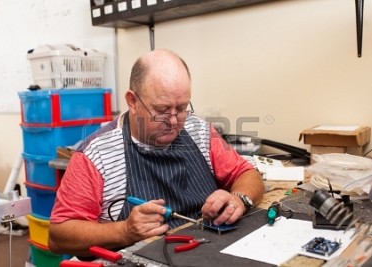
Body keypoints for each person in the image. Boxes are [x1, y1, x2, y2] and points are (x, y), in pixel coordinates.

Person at [48, 49, 264, 257]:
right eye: (161, 110)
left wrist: (238, 199)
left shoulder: (199, 131)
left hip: (208, 250)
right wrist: (123, 231)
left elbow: (247, 174)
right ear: (132, 101)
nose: (173, 121)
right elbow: (58, 236)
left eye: (181, 108)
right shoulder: (97, 154)